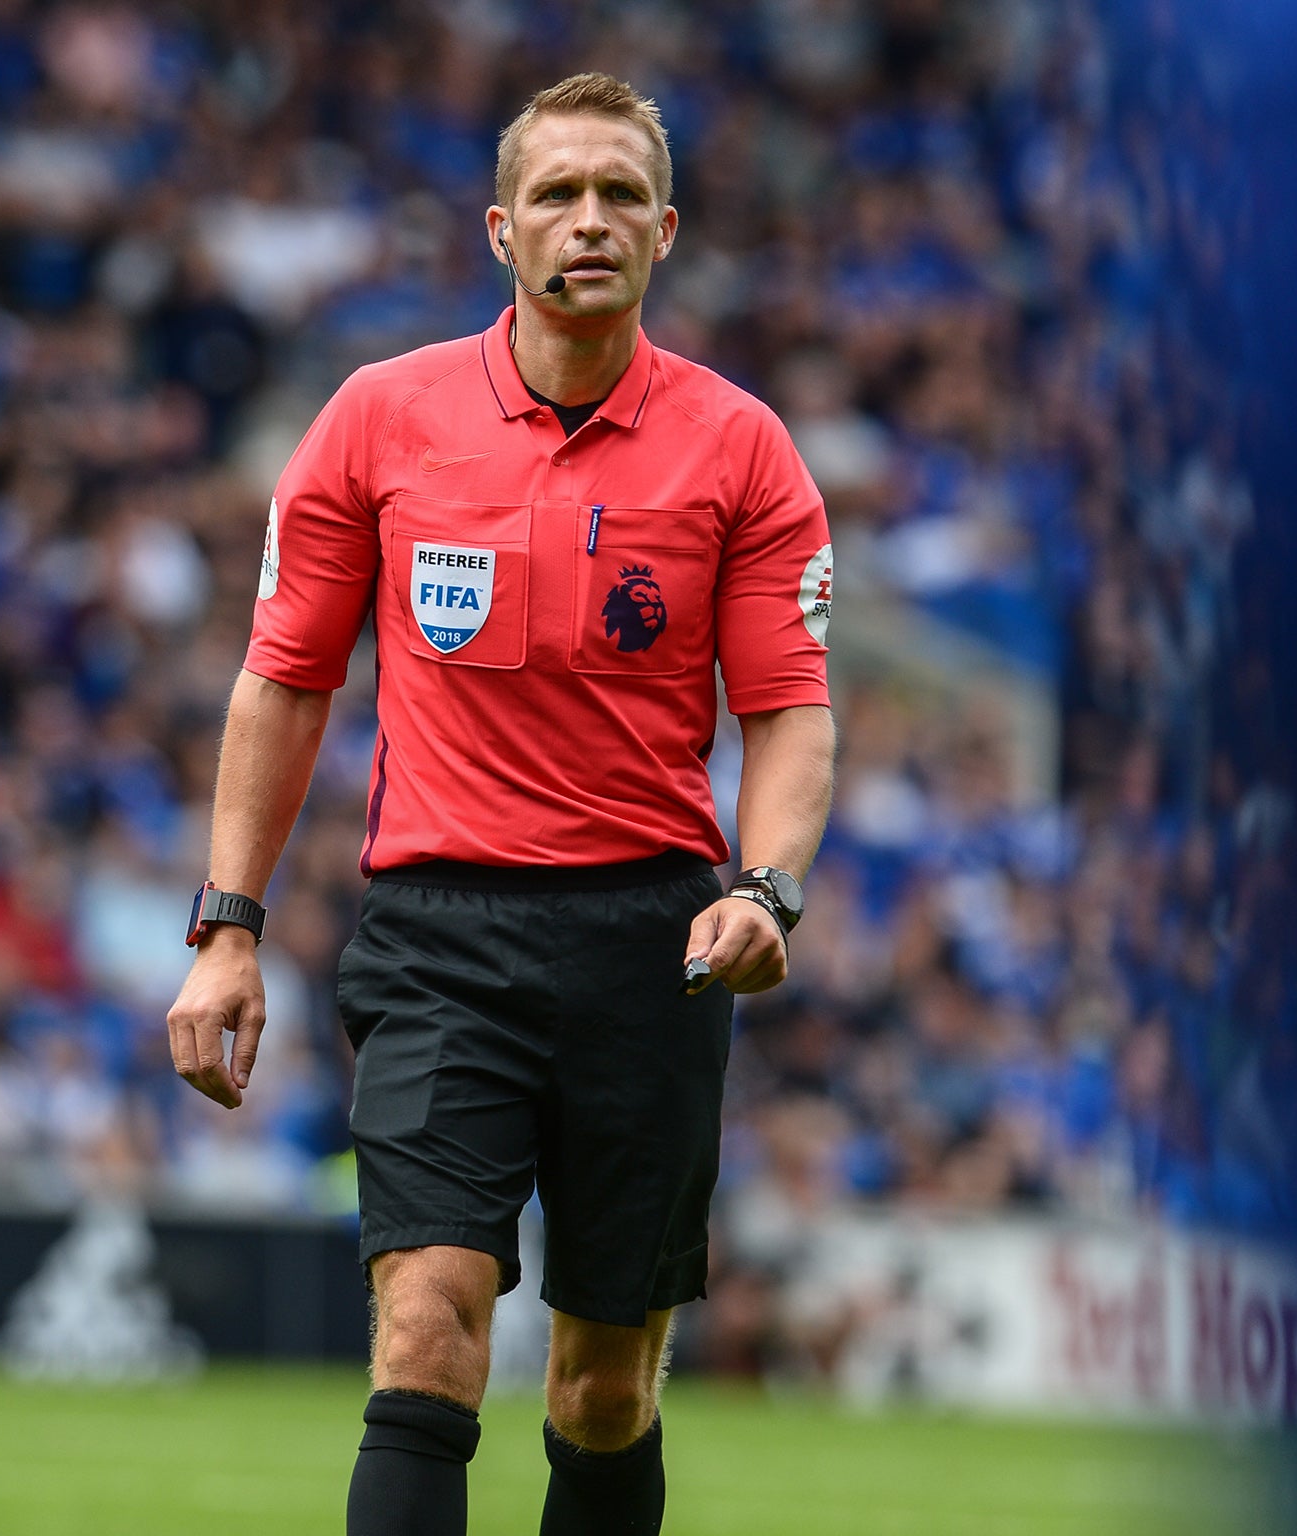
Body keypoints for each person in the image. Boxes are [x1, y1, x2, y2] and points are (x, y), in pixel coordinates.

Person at [164, 73, 836, 1536]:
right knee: (427, 1329)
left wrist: (765, 886)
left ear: (665, 229)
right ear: (498, 228)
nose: (585, 220)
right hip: (437, 933)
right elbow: (283, 680)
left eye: (616, 195)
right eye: (555, 193)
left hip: (654, 938)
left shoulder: (744, 450)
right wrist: (226, 927)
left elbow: (791, 714)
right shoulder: (374, 420)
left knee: (603, 1384)